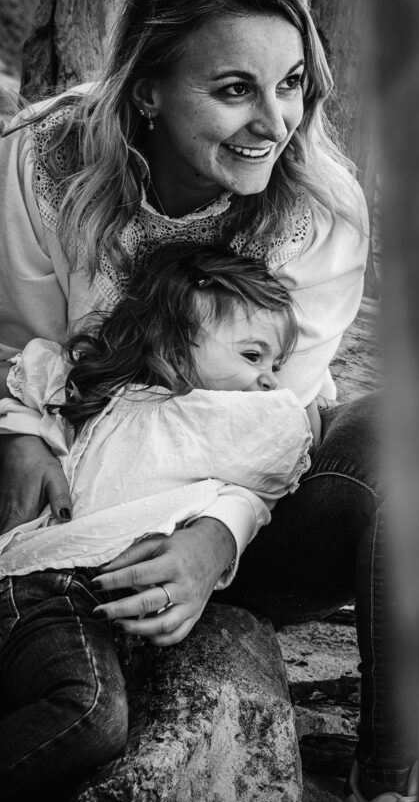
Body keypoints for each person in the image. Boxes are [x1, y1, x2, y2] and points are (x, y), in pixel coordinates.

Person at [0, 0, 417, 802]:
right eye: (235, 90)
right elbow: (14, 345)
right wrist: (23, 434)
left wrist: (210, 542)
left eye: (294, 83)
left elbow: (272, 427)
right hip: (67, 501)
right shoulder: (43, 166)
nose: (277, 123)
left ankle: (387, 780)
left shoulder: (320, 210)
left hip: (237, 519)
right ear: (147, 92)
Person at [0, 243, 314, 793]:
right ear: (171, 339)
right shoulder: (104, 391)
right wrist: (24, 430)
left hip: (92, 605)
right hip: (41, 585)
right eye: (251, 355)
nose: (268, 379)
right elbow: (25, 387)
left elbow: (278, 463)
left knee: (87, 705)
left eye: (275, 364)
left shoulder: (238, 427)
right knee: (92, 713)